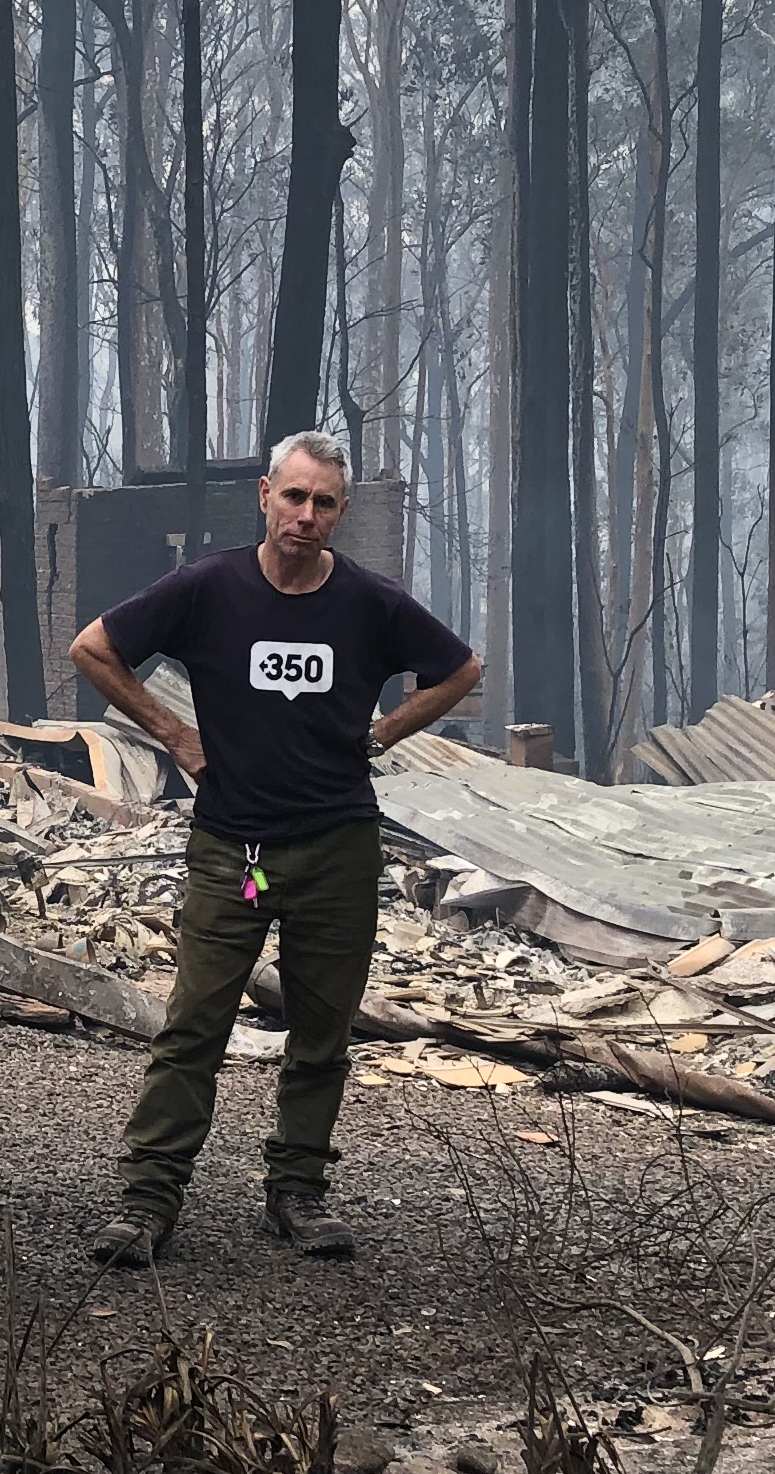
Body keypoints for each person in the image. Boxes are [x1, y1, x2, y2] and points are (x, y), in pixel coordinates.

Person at [69, 431, 483, 1266]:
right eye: (293, 497)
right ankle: (148, 1201)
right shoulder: (210, 588)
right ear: (264, 495)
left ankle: (297, 1194)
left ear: (341, 512)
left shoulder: (370, 603)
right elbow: (94, 648)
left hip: (337, 848)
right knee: (193, 1027)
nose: (306, 516)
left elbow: (461, 668)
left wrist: (389, 729)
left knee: (321, 1033)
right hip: (235, 850)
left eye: (324, 502)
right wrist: (175, 734)